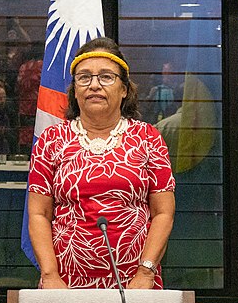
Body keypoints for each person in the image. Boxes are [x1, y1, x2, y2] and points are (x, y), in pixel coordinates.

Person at [27, 37, 176, 289]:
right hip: (64, 283)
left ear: (124, 89)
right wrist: (51, 276)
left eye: (106, 77)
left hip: (136, 283)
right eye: (84, 78)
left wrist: (146, 272)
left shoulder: (148, 138)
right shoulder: (51, 140)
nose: (94, 85)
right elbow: (38, 213)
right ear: (74, 90)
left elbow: (163, 212)